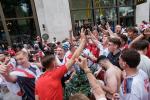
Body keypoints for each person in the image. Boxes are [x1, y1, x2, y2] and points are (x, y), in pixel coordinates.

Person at [35, 31, 86, 100]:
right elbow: (74, 58)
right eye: (55, 60)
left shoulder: (39, 79)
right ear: (53, 63)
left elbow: (37, 97)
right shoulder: (55, 73)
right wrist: (83, 41)